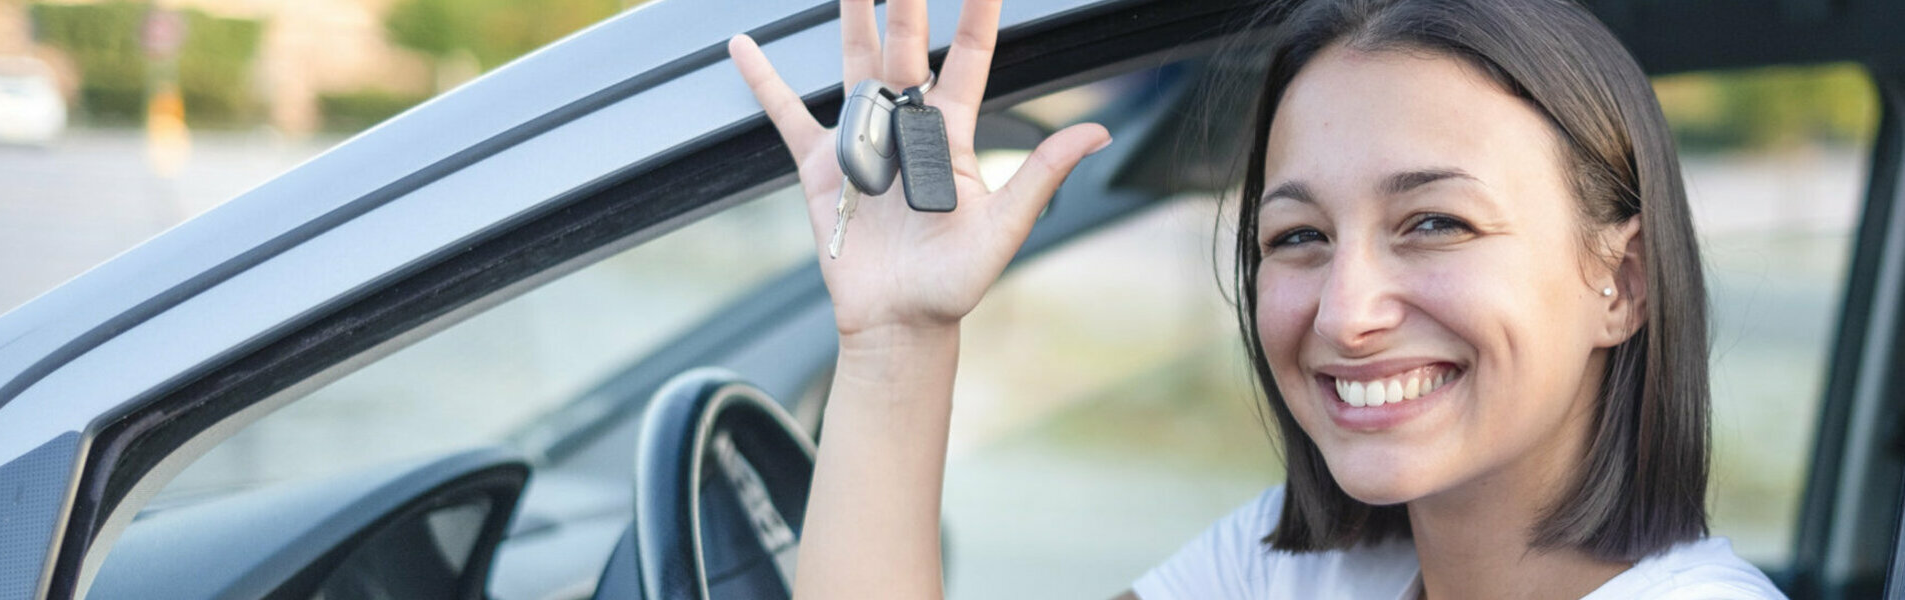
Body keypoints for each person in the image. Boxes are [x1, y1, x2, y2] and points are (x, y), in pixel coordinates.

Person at [727, 0, 1787, 597]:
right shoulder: (1296, 572)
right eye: (1296, 238)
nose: (1345, 312)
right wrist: (896, 337)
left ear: (1622, 280)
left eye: (1433, 222)